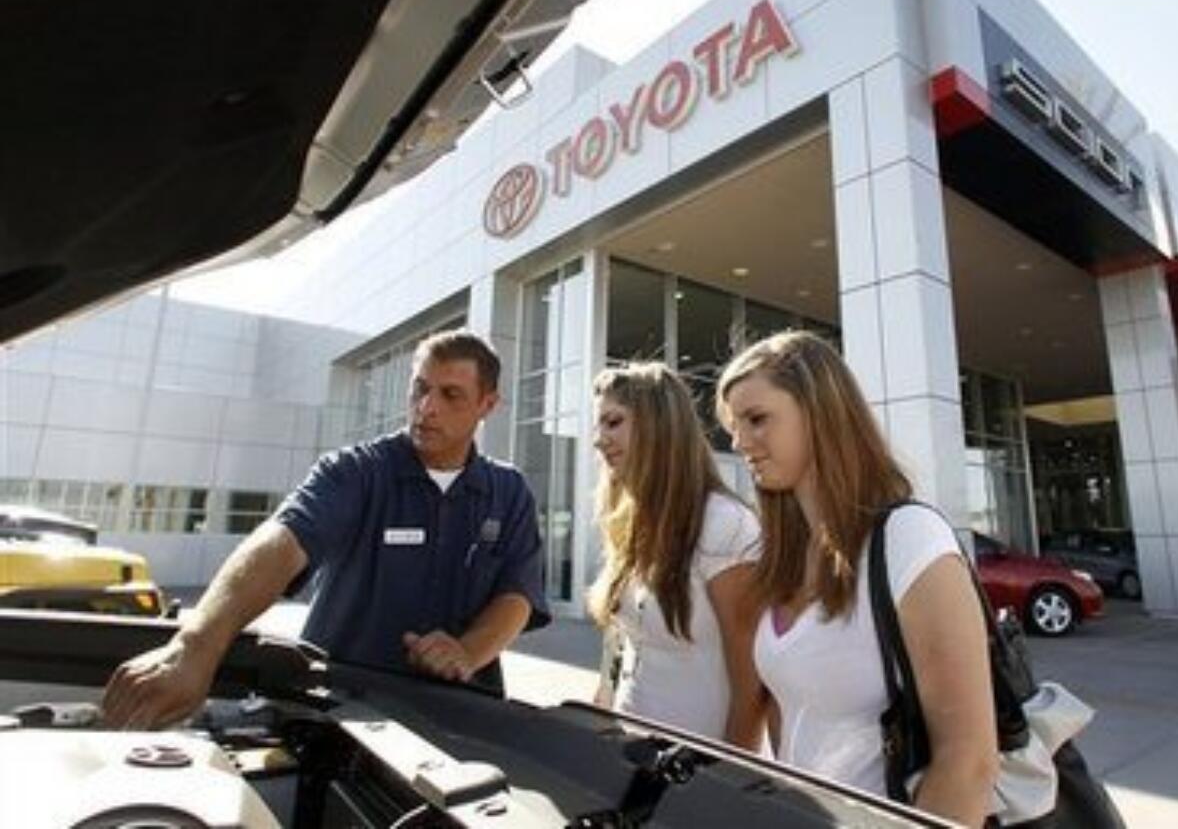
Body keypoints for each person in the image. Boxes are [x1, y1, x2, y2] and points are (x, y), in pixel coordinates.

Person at [102, 330, 550, 728]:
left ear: (487, 405)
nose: (427, 407)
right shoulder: (354, 473)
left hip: (465, 719)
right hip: (339, 717)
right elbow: (282, 542)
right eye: (420, 389)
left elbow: (517, 596)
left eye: (450, 395)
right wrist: (195, 647)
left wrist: (468, 653)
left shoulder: (508, 492)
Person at [716, 331, 997, 826]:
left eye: (756, 419)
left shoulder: (909, 538)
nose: (739, 442)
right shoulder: (782, 556)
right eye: (734, 425)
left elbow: (968, 760)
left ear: (820, 412)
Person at [588, 362, 765, 749]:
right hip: (627, 755)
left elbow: (752, 682)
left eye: (613, 422)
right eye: (598, 425)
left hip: (696, 776)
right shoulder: (631, 521)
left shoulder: (725, 524)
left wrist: (730, 779)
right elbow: (624, 651)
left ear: (658, 426)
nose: (599, 440)